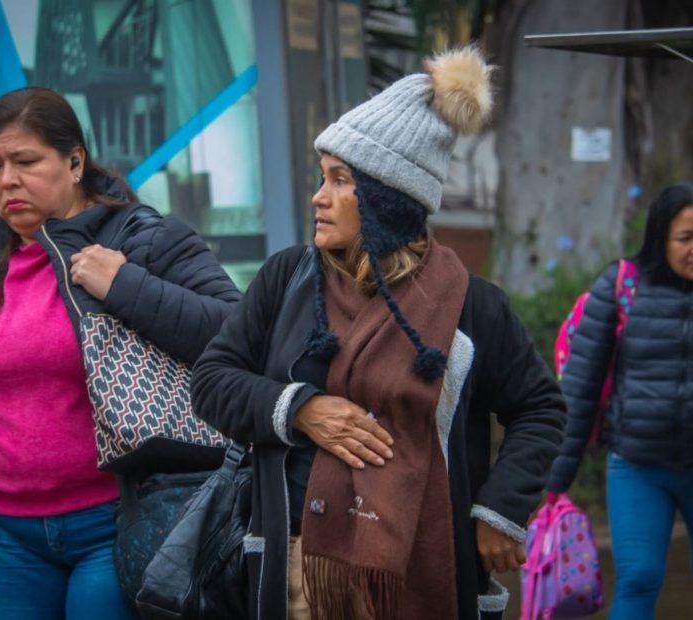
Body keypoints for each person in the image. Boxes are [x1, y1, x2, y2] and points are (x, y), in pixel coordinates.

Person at [191, 46, 566, 620]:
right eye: (322, 178)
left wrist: (500, 510)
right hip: (301, 560)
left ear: (386, 202)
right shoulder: (286, 281)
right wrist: (299, 408)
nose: (319, 197)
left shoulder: (472, 306)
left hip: (424, 561)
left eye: (341, 181)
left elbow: (539, 406)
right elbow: (212, 381)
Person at [0, 87, 241, 619]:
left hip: (121, 518)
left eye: (26, 161)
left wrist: (125, 285)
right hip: (9, 534)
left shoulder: (142, 237)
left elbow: (235, 333)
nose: (8, 181)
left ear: (74, 161)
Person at [547, 182, 693, 620]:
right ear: (659, 239)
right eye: (686, 238)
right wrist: (556, 481)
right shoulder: (623, 285)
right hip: (638, 467)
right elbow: (579, 389)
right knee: (638, 579)